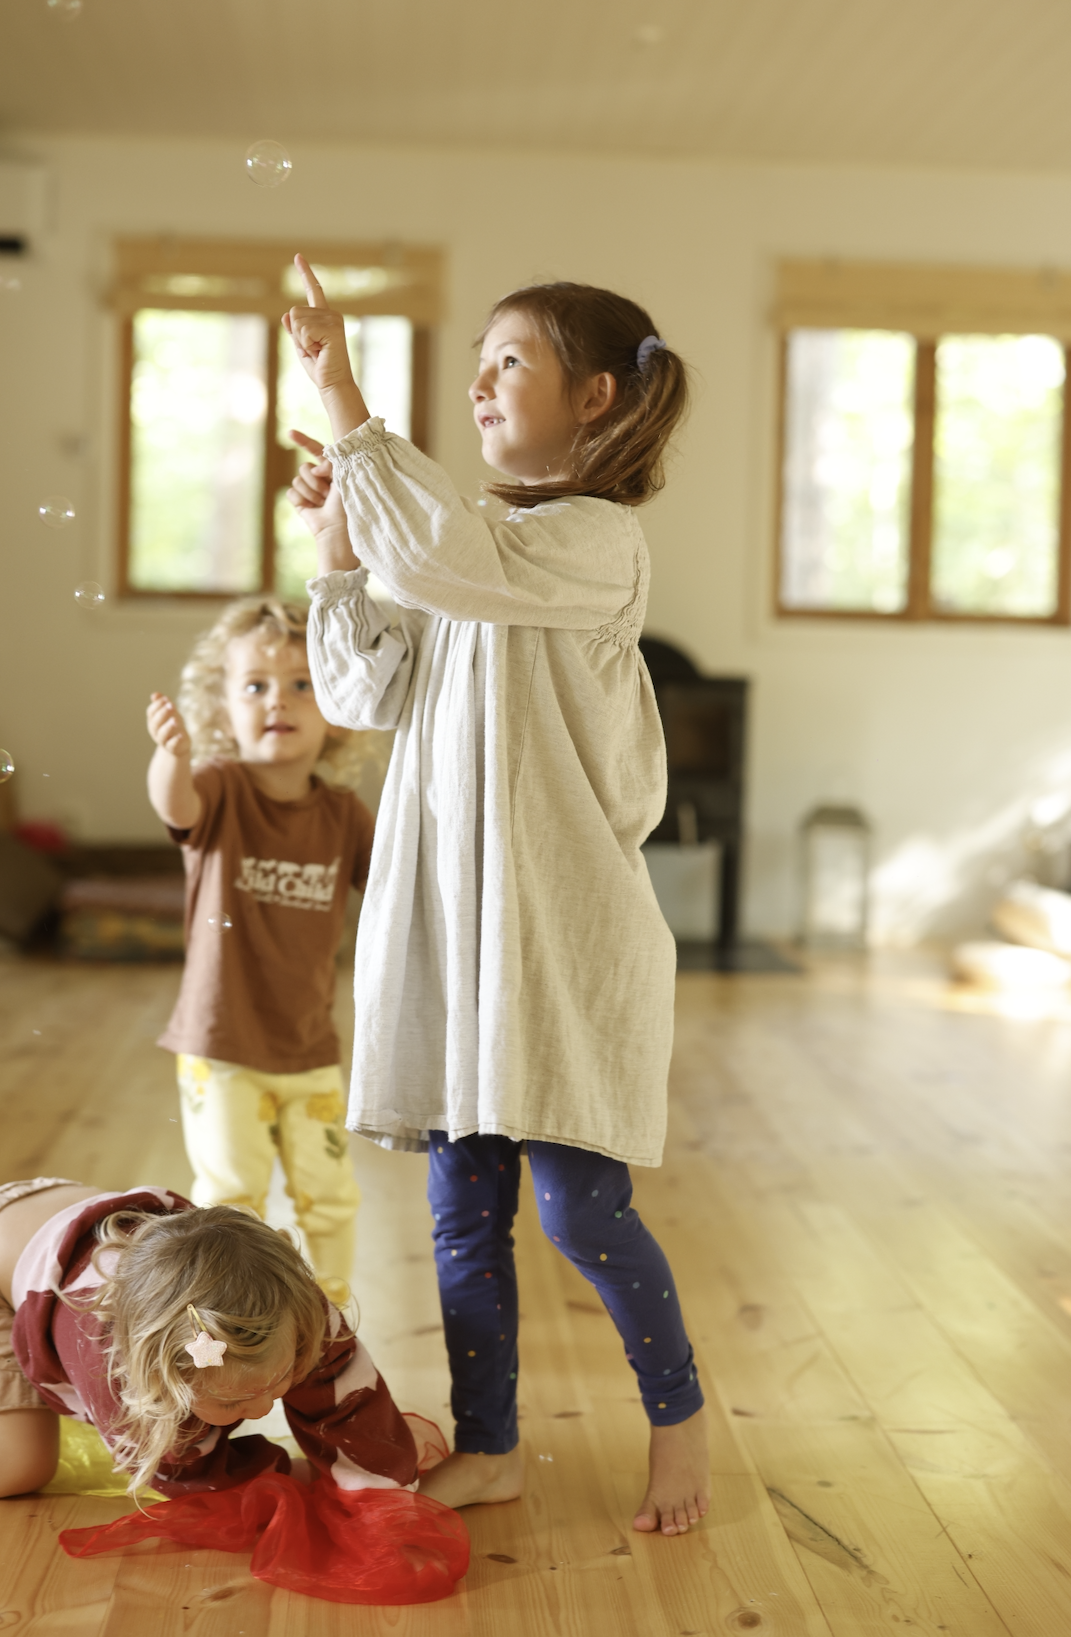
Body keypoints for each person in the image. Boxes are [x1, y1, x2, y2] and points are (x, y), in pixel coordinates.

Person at [283, 257, 709, 1537]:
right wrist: (339, 545)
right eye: (476, 355)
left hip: (561, 944)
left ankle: (679, 1416)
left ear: (592, 398)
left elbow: (459, 558)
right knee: (461, 1210)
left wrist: (348, 400)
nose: (477, 378)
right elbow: (360, 689)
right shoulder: (466, 551)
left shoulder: (589, 541)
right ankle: (492, 1443)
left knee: (584, 1209)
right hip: (463, 942)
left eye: (508, 360)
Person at [146, 597, 378, 1306]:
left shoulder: (343, 814)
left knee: (330, 1193)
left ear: (336, 703)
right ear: (223, 705)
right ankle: (233, 1320)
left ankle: (331, 1313)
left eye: (302, 683)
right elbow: (175, 807)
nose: (278, 699)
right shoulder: (218, 787)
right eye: (256, 684)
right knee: (230, 1196)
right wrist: (170, 759)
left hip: (311, 1048)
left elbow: (397, 892)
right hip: (222, 1047)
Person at [0, 1177, 418, 1499]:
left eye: (279, 1380)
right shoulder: (112, 1367)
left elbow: (351, 1398)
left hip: (60, 1213)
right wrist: (295, 1479)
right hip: (12, 1273)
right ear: (157, 1380)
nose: (259, 1409)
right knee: (22, 1467)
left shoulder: (294, 1302)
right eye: (232, 1402)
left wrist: (375, 1481)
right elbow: (190, 1478)